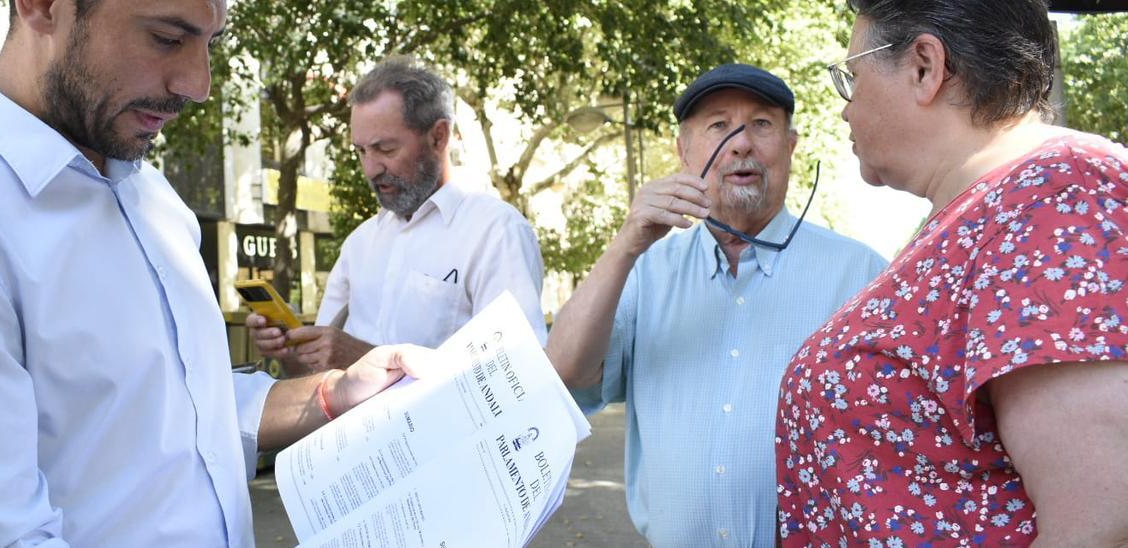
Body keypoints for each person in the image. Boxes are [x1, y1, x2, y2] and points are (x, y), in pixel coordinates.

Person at [0, 0, 434, 545]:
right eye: (166, 37)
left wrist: (335, 392)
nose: (198, 86)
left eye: (209, 43)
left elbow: (177, 407)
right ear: (41, 6)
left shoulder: (150, 195)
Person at [775, 1, 1128, 545]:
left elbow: (1103, 520)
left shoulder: (1057, 193)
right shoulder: (985, 211)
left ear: (924, 66)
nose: (845, 109)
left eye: (852, 76)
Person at [546, 64, 887, 546]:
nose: (741, 142)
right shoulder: (644, 270)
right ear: (684, 153)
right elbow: (565, 370)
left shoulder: (862, 277)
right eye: (718, 125)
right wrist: (625, 244)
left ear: (790, 146)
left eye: (761, 124)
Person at [248, 57, 547, 374]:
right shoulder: (359, 245)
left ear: (439, 137)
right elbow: (316, 376)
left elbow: (517, 374)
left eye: (385, 149)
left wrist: (370, 362)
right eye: (361, 151)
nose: (370, 169)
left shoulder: (495, 232)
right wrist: (289, 352)